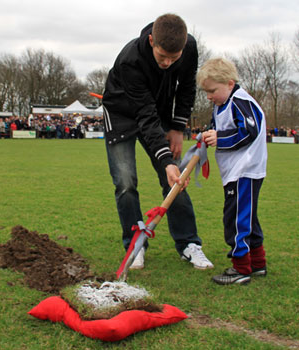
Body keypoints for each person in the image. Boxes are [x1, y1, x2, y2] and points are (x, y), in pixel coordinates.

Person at [102, 13, 213, 270]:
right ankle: (135, 243)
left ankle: (188, 243)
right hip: (122, 114)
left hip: (157, 111)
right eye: (162, 56)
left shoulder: (189, 47)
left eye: (174, 58)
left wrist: (176, 127)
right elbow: (144, 115)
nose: (167, 63)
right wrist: (166, 159)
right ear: (152, 40)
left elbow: (186, 88)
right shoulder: (130, 60)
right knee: (126, 182)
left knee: (175, 180)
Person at [198, 58, 267, 285]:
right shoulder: (222, 105)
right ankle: (257, 264)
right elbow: (217, 127)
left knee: (236, 219)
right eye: (206, 92)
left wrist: (220, 138)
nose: (209, 96)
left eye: (212, 91)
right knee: (247, 217)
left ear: (229, 83)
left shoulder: (240, 101)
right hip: (235, 172)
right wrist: (208, 135)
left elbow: (249, 131)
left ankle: (241, 268)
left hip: (244, 171)